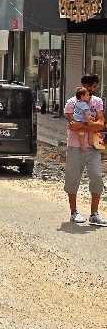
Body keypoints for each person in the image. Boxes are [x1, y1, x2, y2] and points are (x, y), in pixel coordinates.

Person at [64, 73, 106, 225]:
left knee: (97, 178)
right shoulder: (71, 102)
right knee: (73, 178)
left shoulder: (97, 102)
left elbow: (101, 124)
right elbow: (72, 124)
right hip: (75, 146)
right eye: (90, 86)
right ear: (82, 85)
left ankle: (94, 214)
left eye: (95, 86)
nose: (93, 89)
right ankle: (73, 212)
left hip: (93, 146)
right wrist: (90, 126)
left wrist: (83, 125)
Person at [72, 86, 92, 152]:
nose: (89, 96)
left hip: (77, 120)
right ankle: (90, 139)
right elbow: (85, 114)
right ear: (82, 97)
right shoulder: (84, 105)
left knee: (81, 133)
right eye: (87, 95)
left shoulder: (77, 103)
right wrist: (89, 120)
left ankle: (82, 144)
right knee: (90, 129)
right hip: (83, 120)